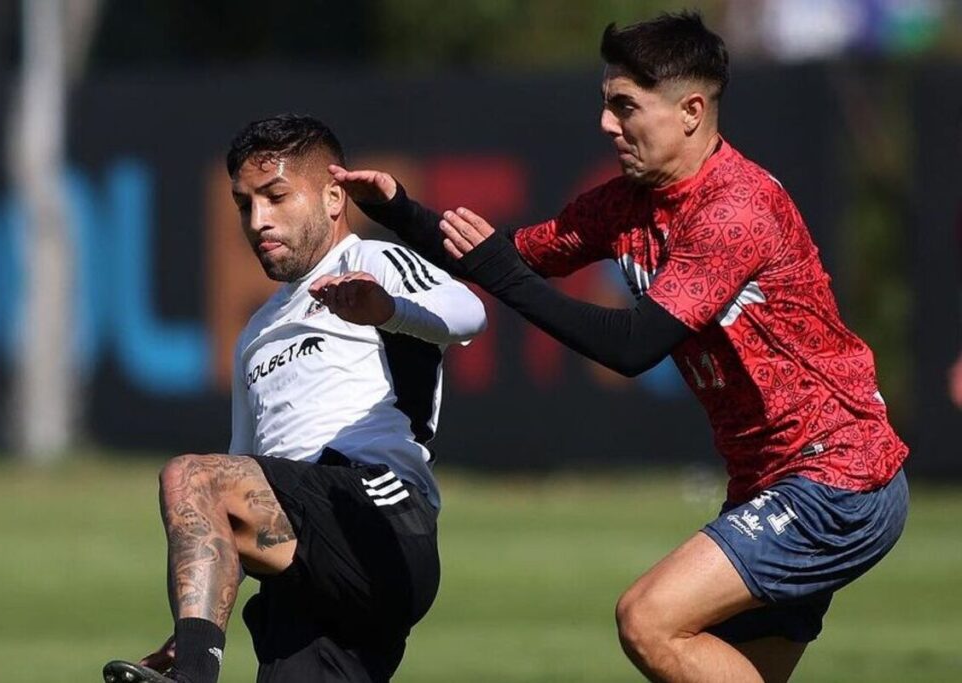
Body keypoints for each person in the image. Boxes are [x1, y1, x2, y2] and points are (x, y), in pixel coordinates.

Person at [330, 11, 909, 683]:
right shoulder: (629, 202)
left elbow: (634, 345)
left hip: (837, 476)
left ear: (691, 111)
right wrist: (402, 209)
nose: (608, 123)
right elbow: (511, 256)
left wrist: (498, 271)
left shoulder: (735, 210)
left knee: (647, 618)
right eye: (607, 104)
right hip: (770, 484)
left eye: (625, 106)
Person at [103, 114, 486, 683]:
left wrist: (387, 310)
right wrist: (193, 627)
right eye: (243, 204)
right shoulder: (256, 333)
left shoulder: (371, 263)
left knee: (190, 476)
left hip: (376, 516)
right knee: (207, 482)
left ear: (334, 197)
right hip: (306, 571)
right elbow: (235, 489)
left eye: (276, 196)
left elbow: (469, 314)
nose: (258, 220)